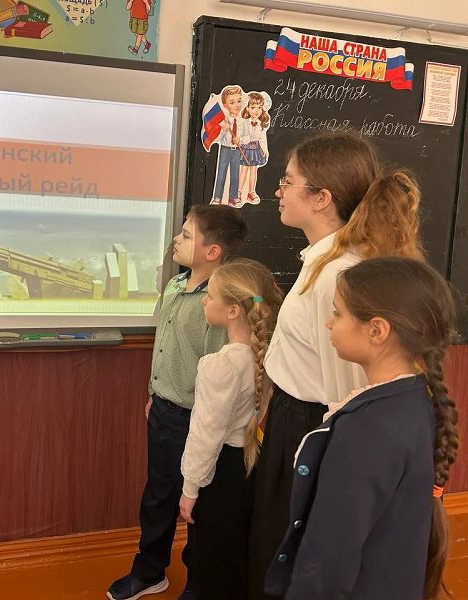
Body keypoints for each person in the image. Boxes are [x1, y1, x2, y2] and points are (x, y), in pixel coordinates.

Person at [248, 133, 424, 599]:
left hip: (309, 427)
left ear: (321, 198)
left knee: (291, 553)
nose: (278, 191)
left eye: (287, 182)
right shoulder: (321, 261)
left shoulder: (337, 275)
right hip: (290, 419)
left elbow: (348, 392)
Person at [265, 257, 458, 599]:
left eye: (337, 313)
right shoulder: (413, 397)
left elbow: (327, 563)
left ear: (376, 330)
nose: (329, 323)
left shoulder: (365, 432)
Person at [108, 205, 248, 600]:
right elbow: (164, 348)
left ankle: (199, 583)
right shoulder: (175, 285)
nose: (177, 239)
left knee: (198, 506)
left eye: (187, 235)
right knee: (158, 496)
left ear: (212, 251)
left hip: (198, 420)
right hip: (163, 413)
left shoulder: (218, 302)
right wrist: (155, 394)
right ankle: (149, 571)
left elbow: (218, 375)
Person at [179, 259, 282, 600]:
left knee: (212, 555)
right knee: (237, 551)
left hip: (221, 474)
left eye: (209, 296)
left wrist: (190, 488)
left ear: (233, 310)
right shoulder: (265, 357)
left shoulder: (220, 365)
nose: (204, 301)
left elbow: (205, 434)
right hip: (250, 465)